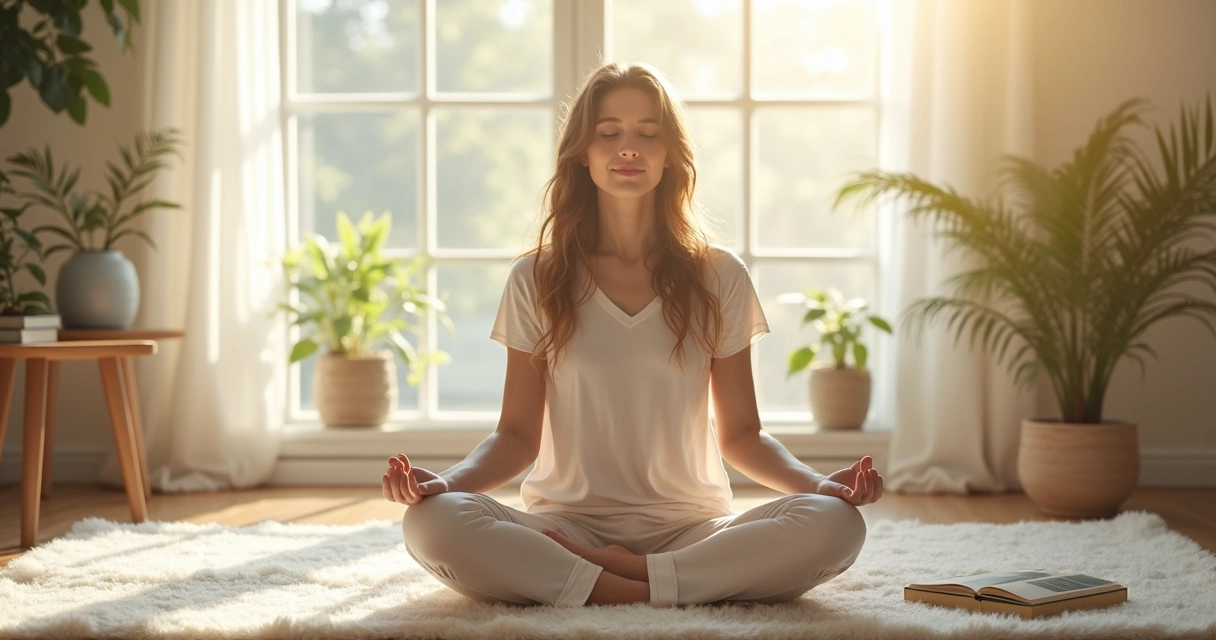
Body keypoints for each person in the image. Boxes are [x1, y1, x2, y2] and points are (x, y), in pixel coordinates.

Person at [382, 62, 883, 608]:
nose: (628, 147)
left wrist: (819, 487)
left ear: (670, 154)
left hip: (692, 528)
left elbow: (743, 435)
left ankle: (616, 579)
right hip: (564, 529)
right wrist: (446, 484)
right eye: (609, 132)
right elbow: (516, 436)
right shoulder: (537, 277)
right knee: (431, 521)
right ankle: (663, 587)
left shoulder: (719, 275)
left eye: (648, 133)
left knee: (837, 523)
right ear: (582, 152)